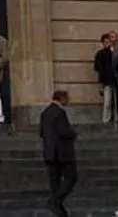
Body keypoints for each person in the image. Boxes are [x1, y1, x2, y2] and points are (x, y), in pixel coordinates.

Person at [40, 87, 78, 217]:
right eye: (67, 98)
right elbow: (64, 131)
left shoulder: (45, 112)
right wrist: (73, 133)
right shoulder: (60, 112)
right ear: (61, 99)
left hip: (49, 153)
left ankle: (59, 210)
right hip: (63, 153)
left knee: (55, 183)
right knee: (71, 177)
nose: (68, 101)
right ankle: (55, 201)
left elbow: (42, 133)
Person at [93, 32, 118, 125]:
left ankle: (117, 118)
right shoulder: (100, 54)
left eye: (108, 41)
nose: (107, 43)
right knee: (107, 103)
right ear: (102, 43)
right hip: (106, 81)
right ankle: (106, 119)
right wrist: (101, 83)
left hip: (116, 80)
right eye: (105, 42)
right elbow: (97, 68)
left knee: (117, 102)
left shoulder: (115, 52)